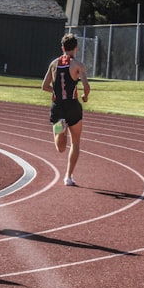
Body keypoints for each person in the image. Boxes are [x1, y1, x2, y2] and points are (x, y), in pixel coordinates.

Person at [42, 33, 91, 186]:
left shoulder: (53, 64)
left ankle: (61, 127)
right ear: (75, 48)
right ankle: (68, 177)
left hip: (58, 109)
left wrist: (55, 92)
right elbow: (86, 87)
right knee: (75, 143)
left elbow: (44, 86)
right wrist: (85, 95)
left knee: (60, 148)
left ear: (62, 47)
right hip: (73, 107)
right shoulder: (78, 65)